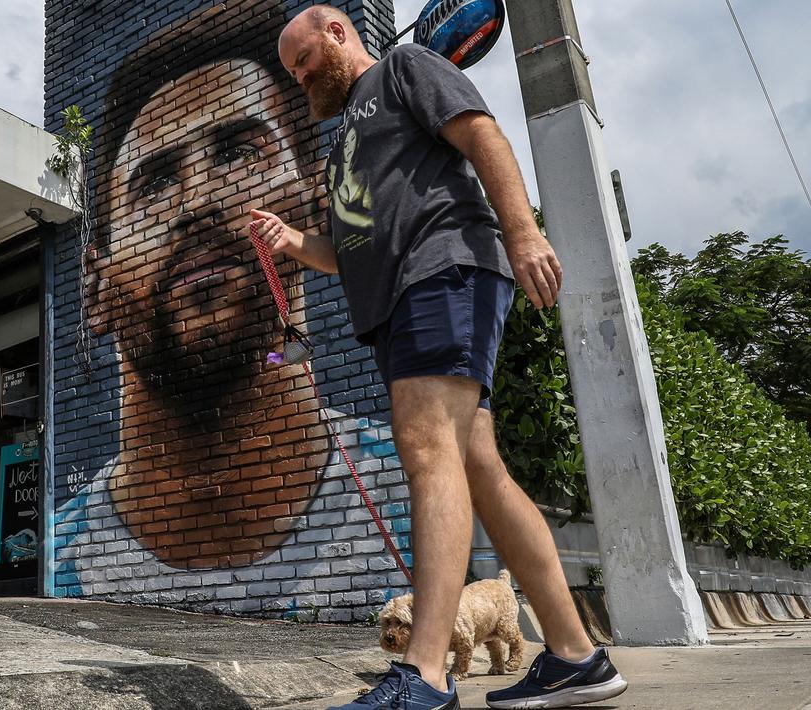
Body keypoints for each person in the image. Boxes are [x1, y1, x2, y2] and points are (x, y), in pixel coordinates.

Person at [252, 5, 629, 708]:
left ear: (337, 33)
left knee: (426, 451)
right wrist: (292, 241)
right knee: (476, 468)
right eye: (291, 70)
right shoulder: (341, 148)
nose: (299, 77)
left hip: (443, 270)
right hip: (400, 298)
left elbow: (481, 134)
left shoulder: (404, 68)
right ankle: (576, 655)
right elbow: (350, 251)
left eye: (302, 59)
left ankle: (422, 674)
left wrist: (522, 234)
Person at [85, 0, 332, 569]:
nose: (197, 204)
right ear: (96, 286)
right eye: (153, 184)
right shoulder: (65, 558)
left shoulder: (411, 498)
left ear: (318, 213)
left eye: (240, 153)